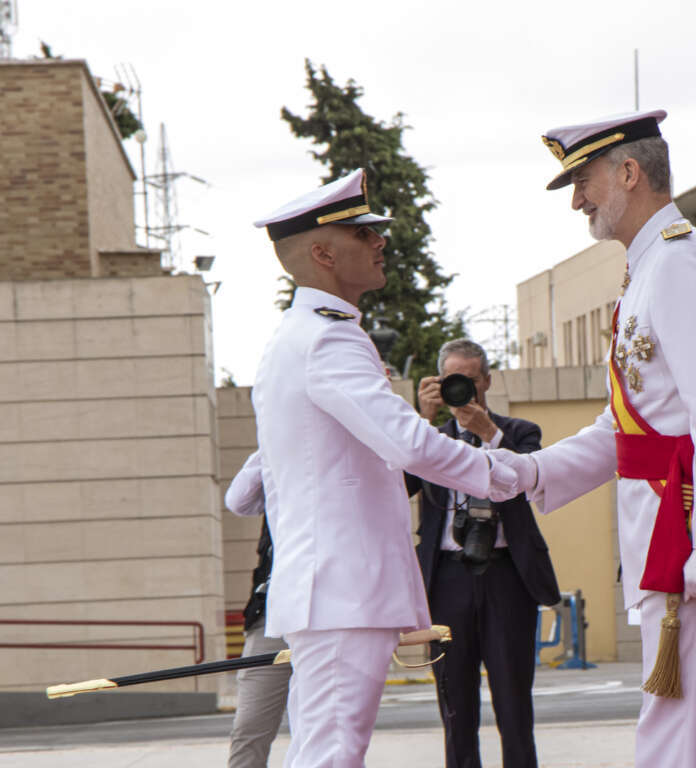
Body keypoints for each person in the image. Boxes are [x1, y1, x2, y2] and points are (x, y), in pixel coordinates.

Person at [492, 110, 696, 768]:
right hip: (671, 525)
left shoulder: (682, 263)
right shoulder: (652, 266)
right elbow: (626, 426)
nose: (576, 201)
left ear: (629, 172)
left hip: (687, 530)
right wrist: (531, 472)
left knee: (683, 737)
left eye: (583, 182)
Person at [249, 168, 519, 768]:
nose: (381, 241)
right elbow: (410, 444)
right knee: (333, 753)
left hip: (329, 589)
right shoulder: (328, 340)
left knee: (322, 749)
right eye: (362, 233)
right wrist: (504, 473)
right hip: (343, 589)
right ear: (322, 254)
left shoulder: (297, 337)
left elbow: (271, 472)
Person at [406, 338, 559, 768]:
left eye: (471, 380)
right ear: (438, 383)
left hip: (507, 574)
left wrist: (490, 434)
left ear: (487, 381)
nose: (463, 390)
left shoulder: (519, 433)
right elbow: (398, 486)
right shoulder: (428, 440)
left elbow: (531, 481)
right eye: (453, 380)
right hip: (447, 578)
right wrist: (421, 420)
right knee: (454, 701)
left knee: (513, 699)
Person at [224, 451, 290, 768]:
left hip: (334, 613)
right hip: (273, 612)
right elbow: (239, 501)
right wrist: (269, 443)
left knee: (322, 729)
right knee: (250, 726)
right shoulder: (278, 457)